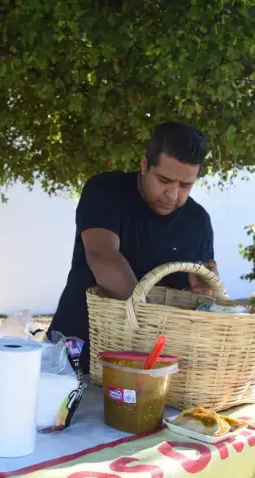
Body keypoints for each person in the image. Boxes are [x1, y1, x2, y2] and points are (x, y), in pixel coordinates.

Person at [48, 121, 217, 374]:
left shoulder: (198, 221)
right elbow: (103, 256)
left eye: (185, 185)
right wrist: (148, 319)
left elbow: (193, 298)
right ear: (144, 164)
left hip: (151, 368)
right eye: (164, 180)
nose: (173, 195)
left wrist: (203, 293)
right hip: (76, 354)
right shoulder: (105, 191)